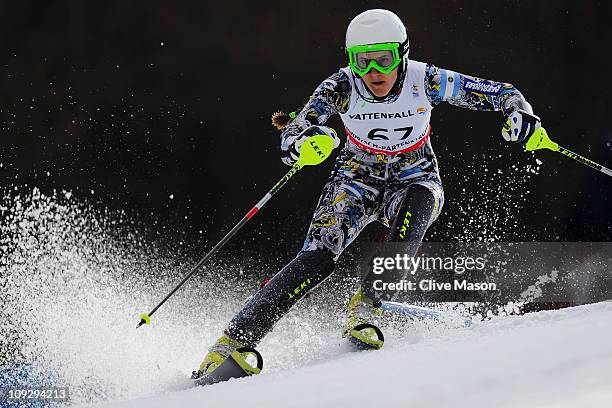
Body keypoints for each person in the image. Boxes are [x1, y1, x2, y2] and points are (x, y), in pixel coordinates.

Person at [193, 8, 541, 377]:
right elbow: (293, 134)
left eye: (384, 59)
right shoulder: (340, 87)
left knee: (420, 204)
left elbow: (501, 93)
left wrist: (519, 113)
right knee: (317, 258)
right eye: (363, 62)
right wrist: (308, 142)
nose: (374, 72)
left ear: (402, 56)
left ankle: (367, 304)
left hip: (414, 175)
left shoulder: (427, 80)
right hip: (356, 180)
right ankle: (231, 342)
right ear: (351, 61)